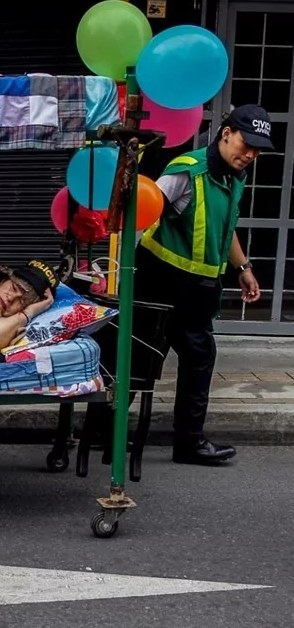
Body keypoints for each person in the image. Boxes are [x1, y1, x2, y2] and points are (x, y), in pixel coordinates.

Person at [134, 104, 272, 466]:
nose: (251, 154)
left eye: (258, 149)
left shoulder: (232, 176)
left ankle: (179, 441)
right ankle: (180, 442)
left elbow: (224, 227)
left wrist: (242, 267)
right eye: (247, 143)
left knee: (178, 358)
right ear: (226, 133)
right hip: (160, 281)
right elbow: (143, 213)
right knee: (144, 359)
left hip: (195, 289)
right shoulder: (187, 172)